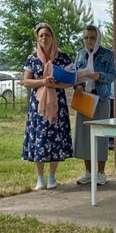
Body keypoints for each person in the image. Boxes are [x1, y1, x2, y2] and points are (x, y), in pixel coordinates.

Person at [21, 23, 74, 190]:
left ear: (53, 37)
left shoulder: (62, 58)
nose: (44, 38)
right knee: (39, 138)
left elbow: (69, 81)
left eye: (47, 35)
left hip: (57, 103)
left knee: (55, 138)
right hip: (38, 105)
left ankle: (52, 176)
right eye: (41, 36)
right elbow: (26, 81)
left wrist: (53, 85)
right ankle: (40, 177)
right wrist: (43, 82)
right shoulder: (32, 58)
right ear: (37, 39)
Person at [73, 25, 116, 186]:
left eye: (92, 37)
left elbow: (113, 75)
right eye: (86, 38)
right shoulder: (80, 55)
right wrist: (77, 85)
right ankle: (89, 171)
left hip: (101, 98)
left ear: (98, 38)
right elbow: (76, 74)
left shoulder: (107, 55)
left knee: (101, 135)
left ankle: (100, 172)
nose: (89, 41)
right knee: (84, 135)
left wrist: (99, 75)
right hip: (84, 97)